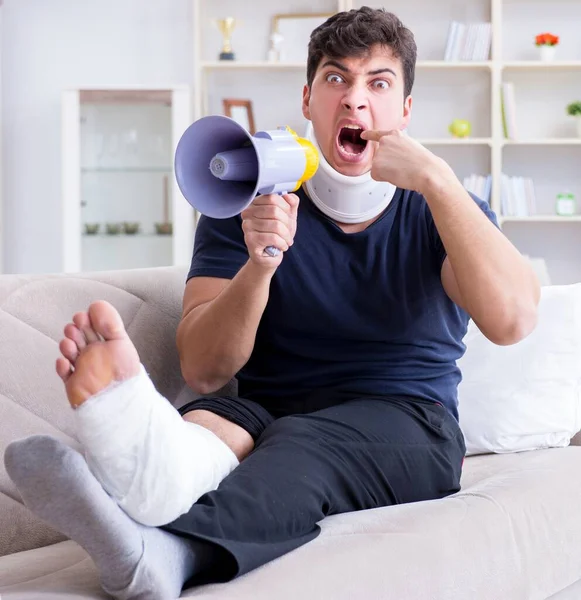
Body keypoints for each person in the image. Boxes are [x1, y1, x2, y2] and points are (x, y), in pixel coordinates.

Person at [4, 7, 540, 600]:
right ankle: (132, 465)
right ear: (308, 99)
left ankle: (177, 552)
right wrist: (261, 263)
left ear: (406, 110)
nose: (355, 100)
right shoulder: (244, 201)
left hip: (408, 421)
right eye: (337, 79)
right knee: (206, 425)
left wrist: (437, 180)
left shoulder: (442, 211)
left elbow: (513, 320)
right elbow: (204, 369)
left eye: (379, 83)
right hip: (268, 408)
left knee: (302, 445)